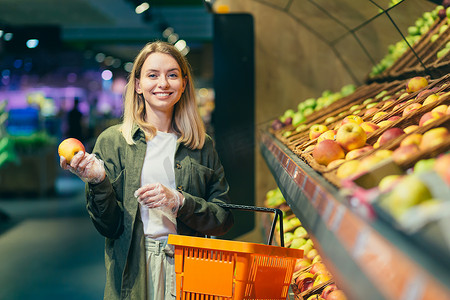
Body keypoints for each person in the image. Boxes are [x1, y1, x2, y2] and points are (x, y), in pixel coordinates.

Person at [59, 41, 234, 299]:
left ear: (184, 84)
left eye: (172, 75)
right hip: (135, 267)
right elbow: (109, 227)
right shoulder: (114, 142)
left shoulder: (201, 145)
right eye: (152, 75)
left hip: (192, 268)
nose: (163, 83)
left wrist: (180, 202)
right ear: (138, 85)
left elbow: (224, 218)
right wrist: (98, 182)